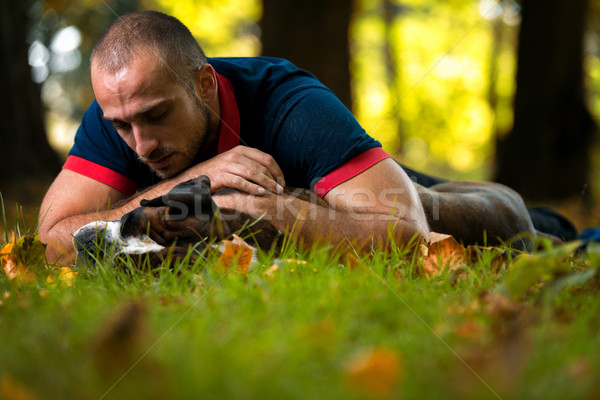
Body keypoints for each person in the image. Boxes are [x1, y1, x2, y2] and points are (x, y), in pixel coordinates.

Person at [38, 10, 575, 265]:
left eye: (156, 116)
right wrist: (192, 185)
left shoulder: (292, 103)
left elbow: (407, 231)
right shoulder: (119, 112)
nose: (140, 144)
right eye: (122, 126)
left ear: (203, 84)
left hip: (375, 194)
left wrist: (278, 214)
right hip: (330, 208)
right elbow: (49, 240)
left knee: (509, 221)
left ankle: (568, 227)